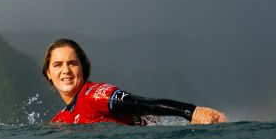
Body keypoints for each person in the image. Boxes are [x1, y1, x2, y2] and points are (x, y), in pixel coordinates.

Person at [42, 38, 228, 125]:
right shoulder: (60, 119)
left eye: (72, 63)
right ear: (48, 73)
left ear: (83, 67)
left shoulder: (96, 95)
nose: (66, 70)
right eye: (58, 65)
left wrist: (191, 112)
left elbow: (141, 103)